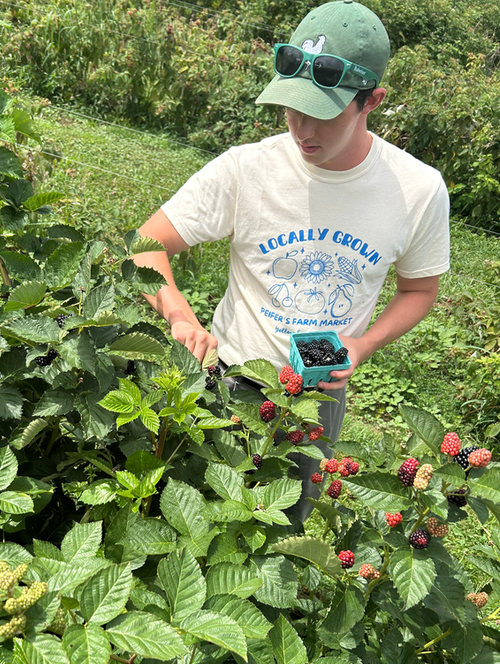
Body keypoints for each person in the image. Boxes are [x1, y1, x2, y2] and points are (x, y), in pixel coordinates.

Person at [135, 0, 450, 520]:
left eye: (322, 113)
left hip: (316, 398)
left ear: (371, 100)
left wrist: (362, 344)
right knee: (190, 516)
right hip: (229, 380)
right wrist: (179, 316)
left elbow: (419, 290)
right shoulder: (248, 168)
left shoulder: (417, 189)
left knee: (284, 529)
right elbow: (146, 243)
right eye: (290, 107)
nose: (302, 128)